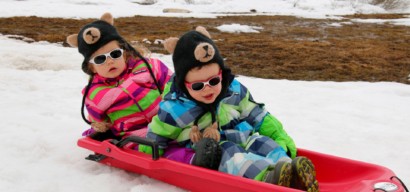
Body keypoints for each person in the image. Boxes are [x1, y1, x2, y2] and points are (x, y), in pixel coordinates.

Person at [139, 26, 319, 191]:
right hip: (212, 149)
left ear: (221, 75)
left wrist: (279, 135)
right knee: (234, 156)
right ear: (184, 84)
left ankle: (290, 171)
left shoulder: (233, 90)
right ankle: (267, 177)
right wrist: (147, 155)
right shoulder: (175, 107)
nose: (207, 88)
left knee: (264, 143)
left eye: (214, 81)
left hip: (242, 135)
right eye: (197, 86)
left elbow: (256, 113)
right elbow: (158, 133)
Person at [66, 13, 172, 141]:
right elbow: (97, 119)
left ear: (125, 53)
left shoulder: (147, 67)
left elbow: (172, 84)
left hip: (167, 120)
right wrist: (100, 126)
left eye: (115, 54)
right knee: (153, 146)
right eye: (100, 59)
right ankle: (191, 157)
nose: (110, 61)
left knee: (184, 131)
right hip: (134, 135)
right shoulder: (95, 93)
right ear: (92, 67)